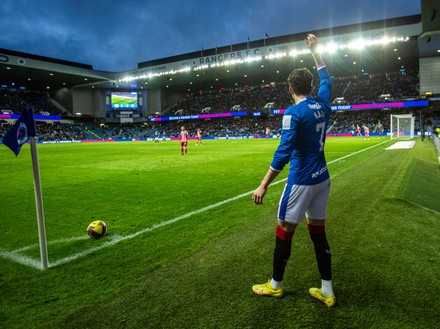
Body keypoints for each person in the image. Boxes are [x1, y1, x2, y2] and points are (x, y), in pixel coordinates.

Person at [251, 34, 335, 307]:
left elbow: (283, 153)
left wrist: (263, 184)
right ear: (310, 86)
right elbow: (327, 79)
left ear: (290, 88)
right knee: (318, 232)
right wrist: (315, 51)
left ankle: (275, 285)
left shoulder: (293, 113)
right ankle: (327, 289)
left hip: (300, 181)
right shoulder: (322, 104)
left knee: (284, 229)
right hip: (322, 178)